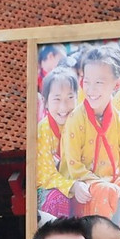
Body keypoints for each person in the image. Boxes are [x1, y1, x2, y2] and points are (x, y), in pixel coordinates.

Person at [61, 46, 120, 223]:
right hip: (83, 187)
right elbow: (72, 167)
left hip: (111, 183)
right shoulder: (75, 119)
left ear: (116, 84)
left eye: (99, 82)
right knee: (111, 191)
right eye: (87, 81)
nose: (91, 89)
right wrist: (100, 183)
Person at [36, 67, 80, 220]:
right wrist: (72, 186)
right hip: (49, 190)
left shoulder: (82, 125)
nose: (64, 107)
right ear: (45, 102)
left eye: (70, 97)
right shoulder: (42, 131)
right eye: (56, 99)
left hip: (79, 184)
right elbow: (47, 176)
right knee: (59, 198)